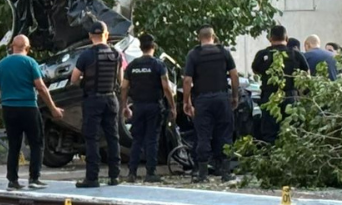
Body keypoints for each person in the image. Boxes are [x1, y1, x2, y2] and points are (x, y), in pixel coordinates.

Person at [0, 35, 64, 191]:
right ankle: (34, 178)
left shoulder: (1, 65)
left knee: (14, 145)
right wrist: (53, 108)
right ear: (27, 48)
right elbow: (41, 87)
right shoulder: (30, 63)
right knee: (37, 142)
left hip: (9, 109)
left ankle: (12, 180)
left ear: (11, 46)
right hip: (28, 107)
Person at [182, 26, 239, 183]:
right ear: (214, 37)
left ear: (199, 38)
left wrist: (186, 101)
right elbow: (234, 75)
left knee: (203, 136)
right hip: (222, 98)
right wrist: (235, 96)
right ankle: (225, 172)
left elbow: (187, 80)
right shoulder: (224, 52)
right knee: (225, 134)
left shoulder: (194, 54)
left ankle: (202, 174)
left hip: (202, 100)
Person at [69, 21, 122, 189]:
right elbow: (120, 80)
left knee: (92, 138)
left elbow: (74, 79)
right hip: (111, 99)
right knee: (113, 137)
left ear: (90, 36)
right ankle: (114, 176)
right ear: (106, 35)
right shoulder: (116, 54)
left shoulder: (86, 55)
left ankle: (92, 178)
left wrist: (85, 82)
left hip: (93, 100)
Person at [121, 34, 175, 183]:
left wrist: (124, 106)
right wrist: (172, 106)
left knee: (137, 139)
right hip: (154, 106)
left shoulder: (132, 66)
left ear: (140, 48)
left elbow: (124, 87)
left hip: (137, 106)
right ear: (154, 47)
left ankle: (132, 173)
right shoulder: (158, 65)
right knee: (152, 139)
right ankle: (150, 173)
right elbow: (166, 87)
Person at [252, 25, 310, 145]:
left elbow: (255, 70)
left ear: (270, 38)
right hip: (290, 97)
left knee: (269, 133)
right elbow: (307, 76)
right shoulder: (296, 55)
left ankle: (271, 159)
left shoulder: (262, 55)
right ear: (287, 38)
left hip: (269, 98)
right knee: (291, 132)